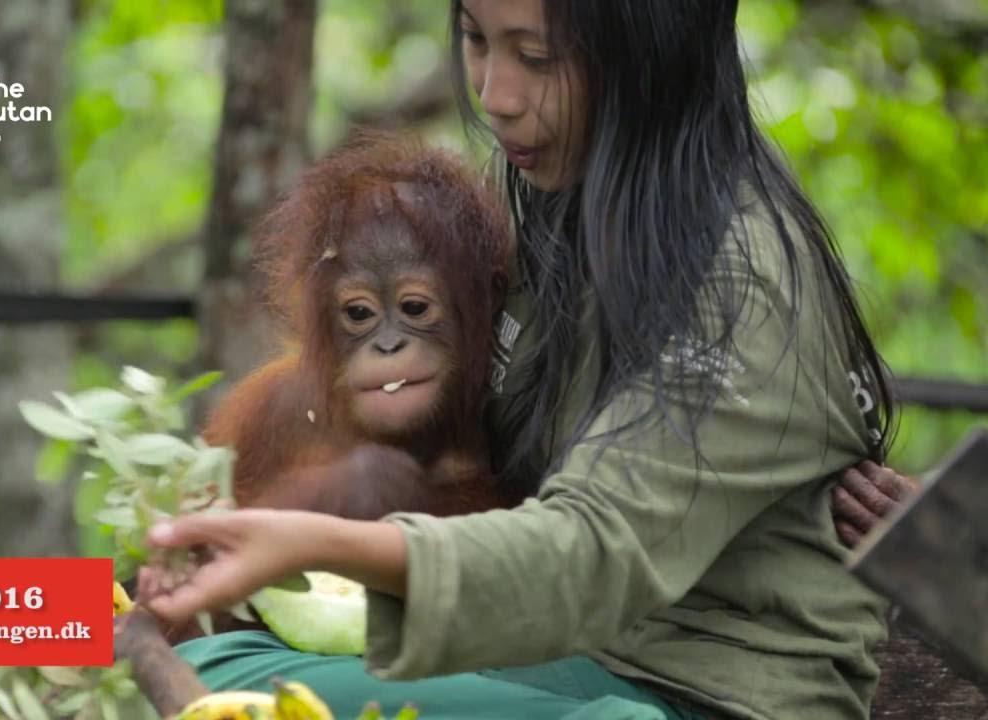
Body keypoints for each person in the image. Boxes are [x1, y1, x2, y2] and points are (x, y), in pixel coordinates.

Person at [140, 1, 915, 718]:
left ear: (647, 61)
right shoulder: (557, 188)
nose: (495, 95)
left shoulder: (738, 276)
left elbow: (589, 552)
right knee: (194, 656)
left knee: (233, 691)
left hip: (701, 694)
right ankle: (19, 620)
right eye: (476, 39)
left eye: (536, 57)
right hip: (576, 655)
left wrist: (310, 542)